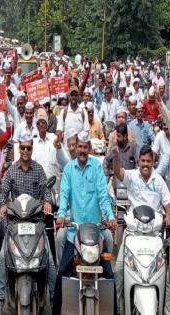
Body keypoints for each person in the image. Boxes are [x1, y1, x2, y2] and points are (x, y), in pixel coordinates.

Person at [52, 131, 117, 315]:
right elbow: (64, 195)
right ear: (76, 147)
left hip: (96, 233)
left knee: (110, 275)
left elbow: (103, 196)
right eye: (79, 146)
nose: (82, 150)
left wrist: (110, 217)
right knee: (62, 271)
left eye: (84, 147)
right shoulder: (69, 169)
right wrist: (62, 214)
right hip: (75, 232)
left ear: (89, 148)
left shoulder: (96, 167)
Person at [0, 132, 56, 314]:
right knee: (2, 256)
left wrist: (47, 202)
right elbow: (3, 194)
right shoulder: (12, 170)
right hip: (15, 225)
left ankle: (52, 297)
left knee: (50, 260)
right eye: (23, 147)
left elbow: (46, 190)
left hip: (36, 223)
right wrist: (3, 206)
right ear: (19, 149)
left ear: (32, 148)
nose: (26, 150)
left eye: (29, 147)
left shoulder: (38, 170)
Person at [112, 145, 170, 314]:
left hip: (154, 235)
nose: (145, 164)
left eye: (149, 161)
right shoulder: (132, 176)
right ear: (138, 161)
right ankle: (119, 309)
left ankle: (167, 311)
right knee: (118, 272)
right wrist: (116, 157)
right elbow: (118, 173)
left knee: (164, 276)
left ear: (153, 161)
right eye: (143, 161)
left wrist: (168, 216)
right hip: (132, 233)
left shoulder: (159, 180)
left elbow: (168, 202)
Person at [31, 108, 61, 180]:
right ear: (36, 126)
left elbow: (65, 161)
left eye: (43, 122)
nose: (41, 125)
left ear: (47, 124)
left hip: (55, 184)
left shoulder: (54, 138)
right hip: (40, 186)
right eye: (38, 123)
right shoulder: (33, 143)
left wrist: (60, 149)